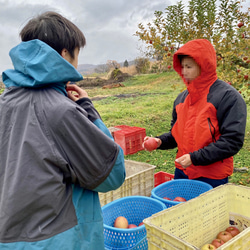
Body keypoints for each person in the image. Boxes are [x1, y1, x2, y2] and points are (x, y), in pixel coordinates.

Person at [0, 11, 126, 250]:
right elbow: (112, 173)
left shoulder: (5, 102)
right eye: (77, 53)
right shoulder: (61, 111)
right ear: (65, 54)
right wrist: (87, 109)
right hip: (59, 239)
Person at [143, 39, 247, 188]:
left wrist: (195, 158)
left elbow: (232, 141)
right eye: (183, 66)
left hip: (212, 175)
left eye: (189, 66)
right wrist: (160, 141)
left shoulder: (228, 97)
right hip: (183, 171)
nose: (184, 71)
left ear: (203, 66)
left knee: (209, 211)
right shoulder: (181, 99)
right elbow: (176, 135)